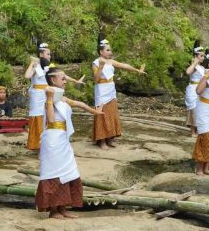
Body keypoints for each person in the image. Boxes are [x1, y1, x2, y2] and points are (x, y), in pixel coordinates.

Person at [35, 67, 103, 219]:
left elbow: (79, 104)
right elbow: (51, 120)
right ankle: (53, 210)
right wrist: (50, 99)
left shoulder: (63, 99)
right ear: (53, 80)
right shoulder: (49, 99)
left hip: (63, 140)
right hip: (52, 141)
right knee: (54, 174)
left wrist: (95, 112)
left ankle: (63, 208)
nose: (65, 81)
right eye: (63, 78)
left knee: (68, 172)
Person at [24, 41, 84, 150]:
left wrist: (75, 80)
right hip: (37, 95)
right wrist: (32, 63)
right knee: (37, 116)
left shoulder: (50, 67)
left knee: (47, 116)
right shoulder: (36, 67)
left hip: (47, 94)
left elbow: (62, 75)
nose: (49, 56)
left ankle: (46, 143)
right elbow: (27, 76)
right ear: (41, 55)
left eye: (50, 54)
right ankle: (35, 144)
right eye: (48, 54)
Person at [92, 35, 146, 150]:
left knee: (111, 113)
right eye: (107, 50)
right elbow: (96, 79)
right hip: (101, 89)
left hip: (110, 89)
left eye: (110, 50)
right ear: (101, 51)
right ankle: (101, 141)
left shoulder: (110, 61)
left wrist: (137, 70)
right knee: (102, 114)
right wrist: (101, 67)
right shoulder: (96, 63)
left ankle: (110, 138)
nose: (110, 52)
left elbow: (124, 65)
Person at [184, 40, 205, 137]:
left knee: (200, 109)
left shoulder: (202, 68)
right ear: (196, 56)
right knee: (193, 108)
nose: (203, 58)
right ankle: (192, 131)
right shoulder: (194, 66)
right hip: (193, 88)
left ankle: (197, 130)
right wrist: (194, 63)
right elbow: (188, 72)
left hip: (200, 89)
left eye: (203, 56)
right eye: (201, 56)